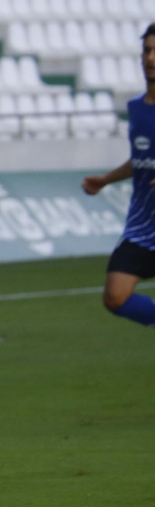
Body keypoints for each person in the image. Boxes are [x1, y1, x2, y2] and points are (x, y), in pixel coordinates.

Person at [81, 22, 155, 328]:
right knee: (115, 297)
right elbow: (141, 160)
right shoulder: (136, 107)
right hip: (143, 226)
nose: (150, 58)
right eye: (147, 51)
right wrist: (106, 179)